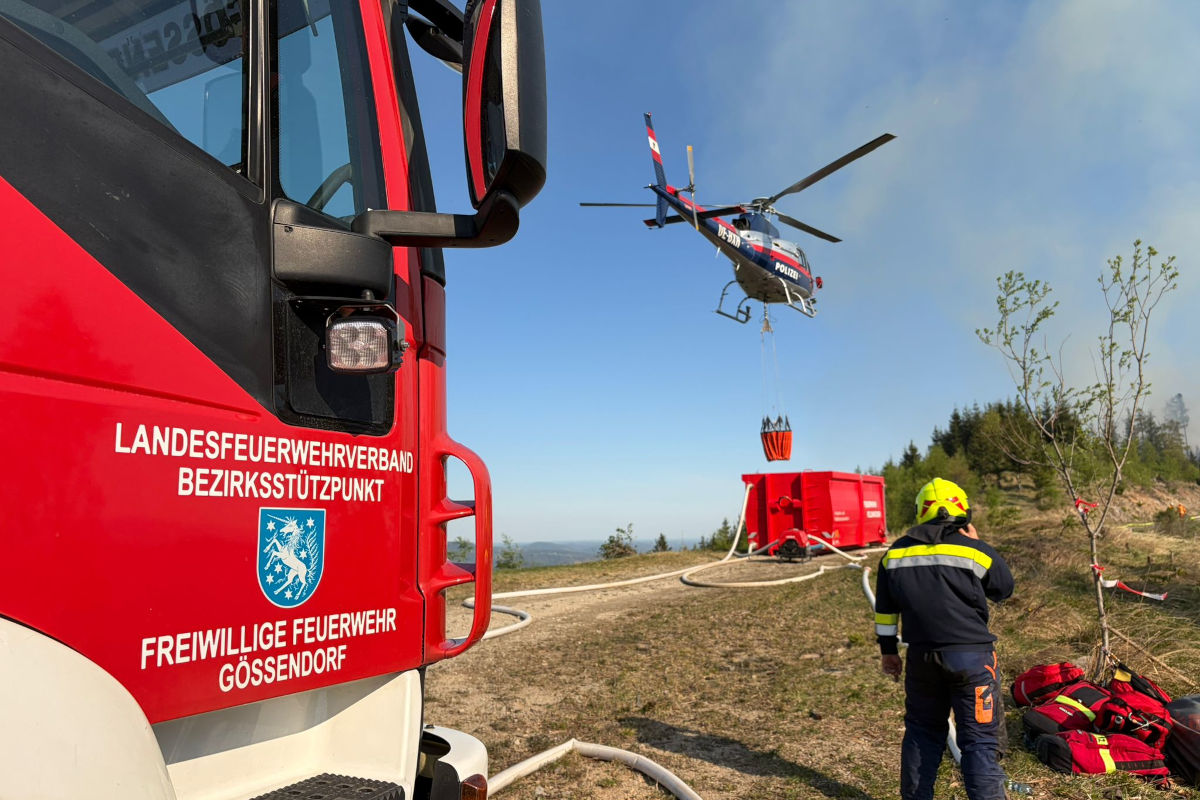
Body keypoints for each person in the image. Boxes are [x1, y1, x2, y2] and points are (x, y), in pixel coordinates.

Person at [874, 477, 1014, 800]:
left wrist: (888, 652)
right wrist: (981, 544)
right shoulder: (974, 551)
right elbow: (1004, 588)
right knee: (979, 740)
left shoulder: (894, 556)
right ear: (961, 511)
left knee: (922, 733)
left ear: (920, 513)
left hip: (922, 661)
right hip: (973, 662)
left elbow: (884, 612)